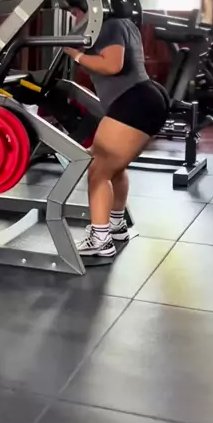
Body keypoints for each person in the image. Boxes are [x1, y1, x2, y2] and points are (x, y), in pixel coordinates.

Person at [65, 14, 169, 258]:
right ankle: (115, 225)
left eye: (77, 11)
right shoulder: (125, 23)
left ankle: (100, 239)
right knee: (115, 168)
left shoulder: (108, 25)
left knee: (98, 171)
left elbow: (113, 65)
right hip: (145, 97)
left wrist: (75, 55)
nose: (77, 17)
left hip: (133, 101)